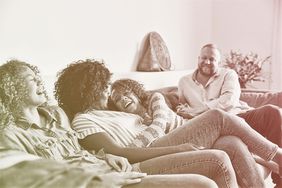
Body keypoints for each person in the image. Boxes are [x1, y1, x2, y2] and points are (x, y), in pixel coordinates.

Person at [54, 59, 282, 188]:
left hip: (156, 140)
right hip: (146, 150)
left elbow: (145, 105)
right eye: (103, 86)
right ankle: (276, 155)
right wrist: (178, 147)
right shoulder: (83, 120)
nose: (108, 91)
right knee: (216, 117)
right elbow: (119, 151)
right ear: (89, 89)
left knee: (229, 142)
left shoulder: (113, 111)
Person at [0, 59, 219, 188]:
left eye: (39, 77)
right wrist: (100, 179)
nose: (40, 82)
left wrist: (106, 156)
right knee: (205, 182)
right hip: (102, 181)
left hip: (111, 168)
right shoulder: (11, 134)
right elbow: (36, 178)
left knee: (221, 152)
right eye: (32, 79)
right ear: (12, 88)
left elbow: (80, 149)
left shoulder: (57, 115)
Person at [177, 43, 282, 186]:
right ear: (198, 58)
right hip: (212, 127)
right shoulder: (184, 82)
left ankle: (279, 179)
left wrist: (199, 109)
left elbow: (229, 100)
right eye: (204, 58)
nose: (207, 62)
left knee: (272, 112)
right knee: (230, 141)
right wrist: (187, 112)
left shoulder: (228, 74)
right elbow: (182, 107)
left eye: (212, 59)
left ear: (218, 62)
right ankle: (271, 160)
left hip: (239, 115)